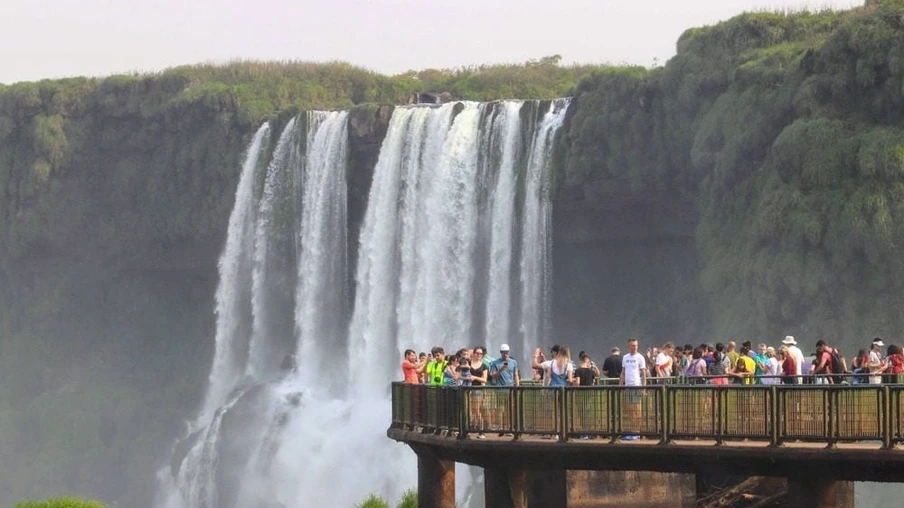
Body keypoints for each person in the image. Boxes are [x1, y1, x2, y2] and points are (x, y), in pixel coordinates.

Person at [620, 337, 647, 441]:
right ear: (628, 346)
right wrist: (620, 386)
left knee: (637, 410)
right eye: (633, 345)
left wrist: (644, 388)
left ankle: (637, 432)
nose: (635, 347)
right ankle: (632, 431)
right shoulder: (625, 357)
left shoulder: (640, 357)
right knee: (630, 410)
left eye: (636, 345)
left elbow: (644, 374)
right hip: (628, 386)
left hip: (637, 386)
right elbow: (623, 373)